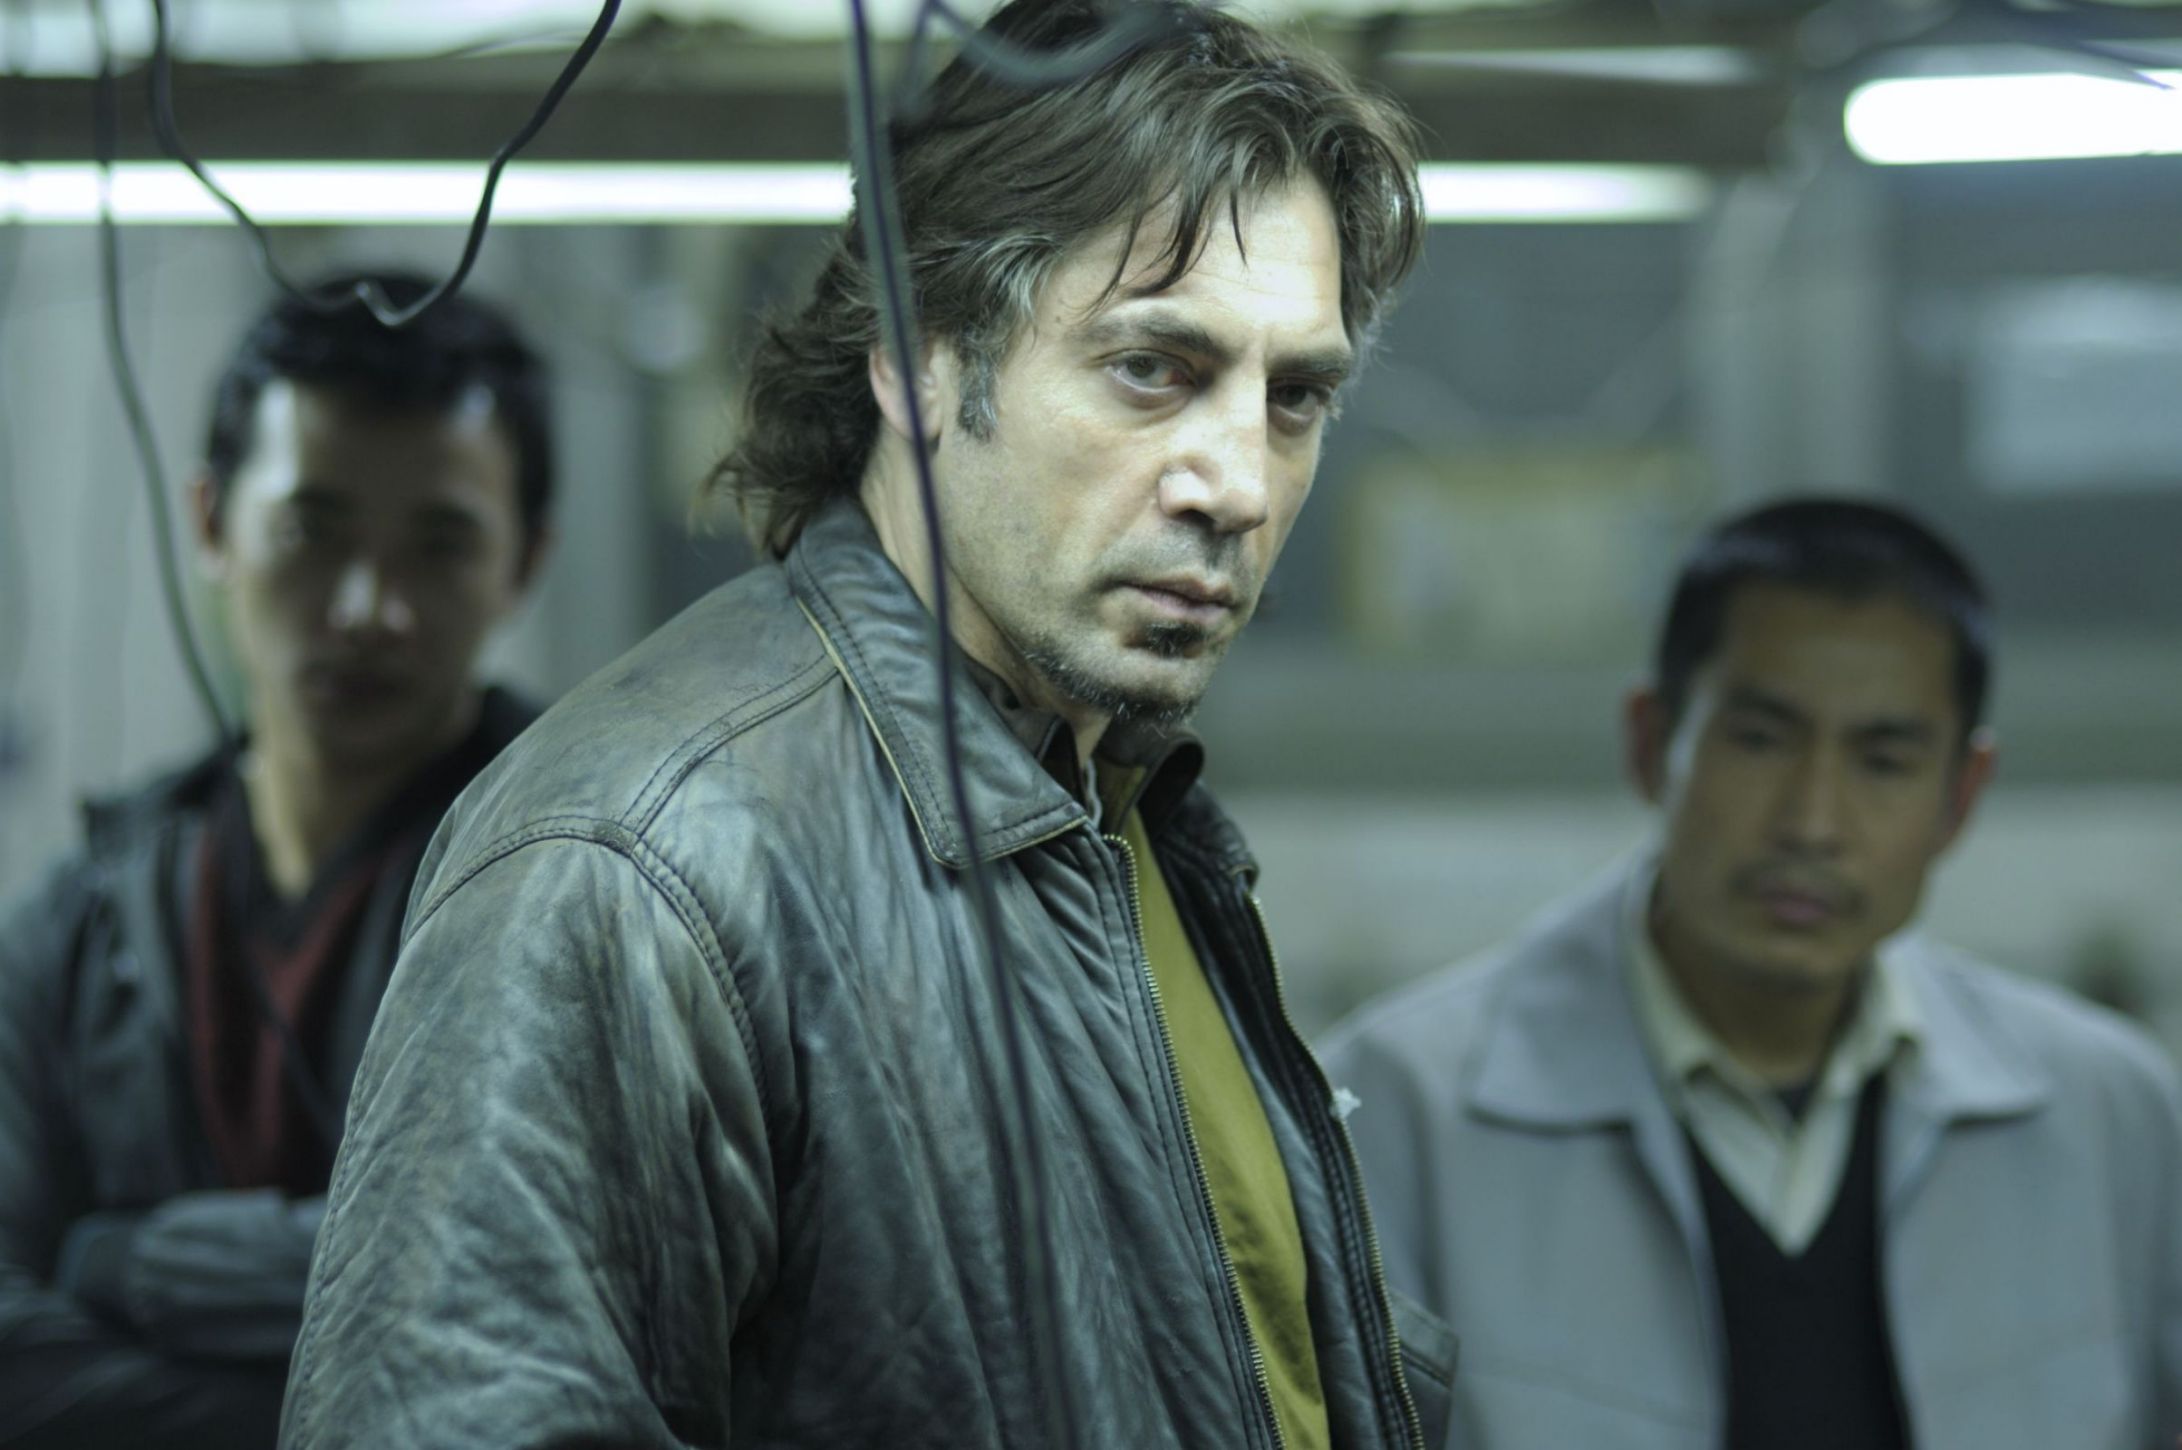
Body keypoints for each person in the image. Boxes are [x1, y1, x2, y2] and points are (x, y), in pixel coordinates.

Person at [277, 4, 1451, 1448]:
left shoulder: (1121, 817)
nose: (1239, 483)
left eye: (1295, 397)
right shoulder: (635, 865)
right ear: (916, 355)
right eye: (1153, 368)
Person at [1319, 498, 2182, 1450]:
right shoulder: (1393, 1115)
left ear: (1961, 797)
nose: (1812, 823)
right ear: (1651, 744)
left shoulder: (2113, 1119)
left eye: (1884, 761)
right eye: (1760, 741)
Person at [0, 271, 554, 1449]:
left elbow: (556, 1299)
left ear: (525, 562)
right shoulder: (86, 919)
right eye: (312, 530)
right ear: (211, 523)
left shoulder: (583, 888)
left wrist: (124, 1262)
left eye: (439, 545)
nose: (368, 607)